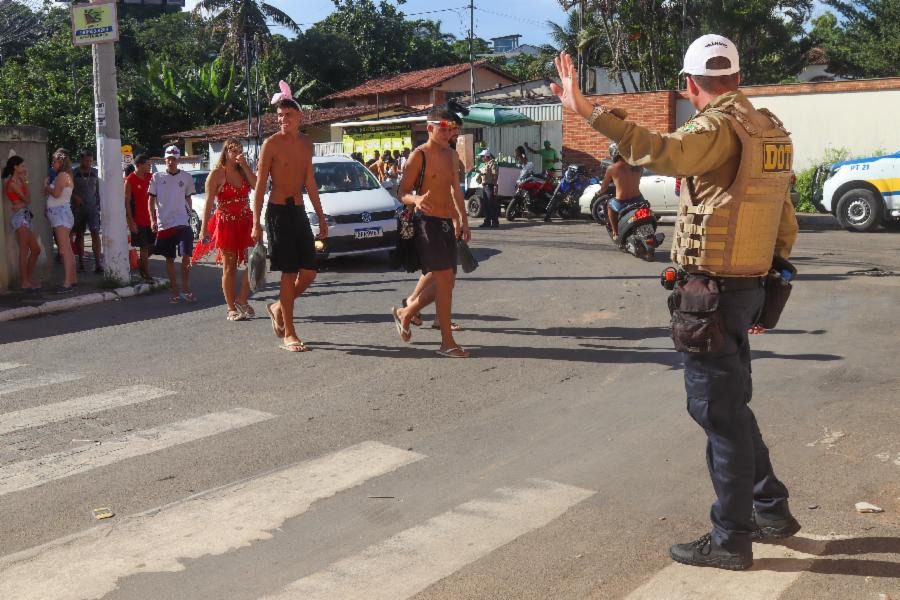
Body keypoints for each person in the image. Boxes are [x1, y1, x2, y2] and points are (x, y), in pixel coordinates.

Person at [552, 34, 800, 571]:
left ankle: (732, 538)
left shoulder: (715, 127)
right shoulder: (769, 128)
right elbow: (783, 212)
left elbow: (660, 150)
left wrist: (589, 110)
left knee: (716, 411)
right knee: (732, 405)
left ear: (689, 85)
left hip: (710, 293)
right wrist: (772, 274)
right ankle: (770, 507)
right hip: (748, 285)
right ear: (735, 76)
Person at [253, 80, 328, 353]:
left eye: (288, 115)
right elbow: (260, 186)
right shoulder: (271, 144)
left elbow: (310, 182)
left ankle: (277, 307)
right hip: (277, 213)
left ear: (299, 117)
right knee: (289, 273)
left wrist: (320, 218)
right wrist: (256, 223)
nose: (283, 120)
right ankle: (290, 333)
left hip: (298, 211)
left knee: (308, 273)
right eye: (280, 116)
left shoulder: (307, 143)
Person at [392, 108, 471, 358]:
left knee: (447, 281)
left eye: (451, 129)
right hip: (426, 222)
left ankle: (406, 312)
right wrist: (415, 199)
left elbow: (456, 191)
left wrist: (463, 220)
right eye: (443, 129)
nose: (449, 133)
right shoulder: (419, 155)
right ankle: (446, 342)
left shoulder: (450, 155)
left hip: (447, 222)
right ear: (430, 128)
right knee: (445, 279)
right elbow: (402, 192)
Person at [193, 139, 257, 321]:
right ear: (225, 152)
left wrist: (245, 166)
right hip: (226, 223)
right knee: (229, 267)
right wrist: (203, 228)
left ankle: (242, 299)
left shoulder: (243, 171)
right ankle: (231, 308)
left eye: (240, 150)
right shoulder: (216, 174)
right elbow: (208, 203)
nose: (237, 154)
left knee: (255, 260)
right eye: (233, 150)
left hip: (246, 222)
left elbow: (256, 185)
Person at [149, 145, 195, 303]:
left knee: (186, 255)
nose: (171, 161)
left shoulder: (186, 177)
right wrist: (152, 219)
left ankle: (186, 288)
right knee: (169, 258)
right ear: (165, 159)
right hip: (165, 223)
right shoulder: (157, 177)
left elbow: (188, 197)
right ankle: (174, 290)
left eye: (174, 159)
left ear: (178, 160)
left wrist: (190, 212)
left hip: (182, 222)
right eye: (168, 159)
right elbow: (151, 200)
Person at [3, 155, 41, 291]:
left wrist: (24, 181)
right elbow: (27, 199)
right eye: (22, 166)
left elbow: (26, 201)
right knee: (24, 250)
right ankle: (25, 282)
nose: (25, 168)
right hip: (20, 217)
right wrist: (25, 182)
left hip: (24, 214)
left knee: (36, 250)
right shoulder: (13, 182)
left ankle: (26, 280)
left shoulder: (19, 180)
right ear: (15, 167)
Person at [44, 149, 77, 292]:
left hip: (60, 215)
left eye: (54, 161)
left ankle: (67, 282)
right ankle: (72, 279)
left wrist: (46, 186)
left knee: (64, 250)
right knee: (67, 249)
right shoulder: (64, 175)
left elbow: (56, 194)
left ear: (60, 162)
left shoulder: (62, 175)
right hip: (60, 214)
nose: (52, 164)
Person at [598, 143, 644, 240]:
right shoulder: (638, 166)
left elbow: (604, 187)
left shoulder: (612, 168)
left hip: (622, 202)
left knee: (609, 205)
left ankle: (615, 232)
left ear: (614, 154)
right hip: (638, 199)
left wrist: (600, 192)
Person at [71, 150, 102, 273]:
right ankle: (81, 263)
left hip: (93, 208)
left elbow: (99, 190)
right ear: (81, 160)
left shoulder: (95, 173)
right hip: (78, 209)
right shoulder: (74, 173)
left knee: (95, 232)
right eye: (86, 160)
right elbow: (69, 189)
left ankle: (98, 263)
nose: (88, 163)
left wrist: (99, 204)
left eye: (90, 160)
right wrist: (74, 197)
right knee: (79, 234)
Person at [125, 154, 154, 281]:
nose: (150, 166)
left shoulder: (151, 177)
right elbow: (126, 202)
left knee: (153, 245)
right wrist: (130, 221)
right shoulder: (130, 179)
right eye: (148, 164)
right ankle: (146, 273)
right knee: (144, 246)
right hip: (138, 219)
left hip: (151, 218)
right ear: (140, 165)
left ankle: (141, 263)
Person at [477, 148, 499, 228]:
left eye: (483, 156)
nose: (482, 158)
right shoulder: (486, 164)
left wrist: (495, 186)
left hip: (490, 186)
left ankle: (495, 222)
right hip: (485, 186)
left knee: (491, 204)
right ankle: (487, 221)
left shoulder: (492, 163)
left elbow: (495, 175)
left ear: (487, 156)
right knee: (486, 204)